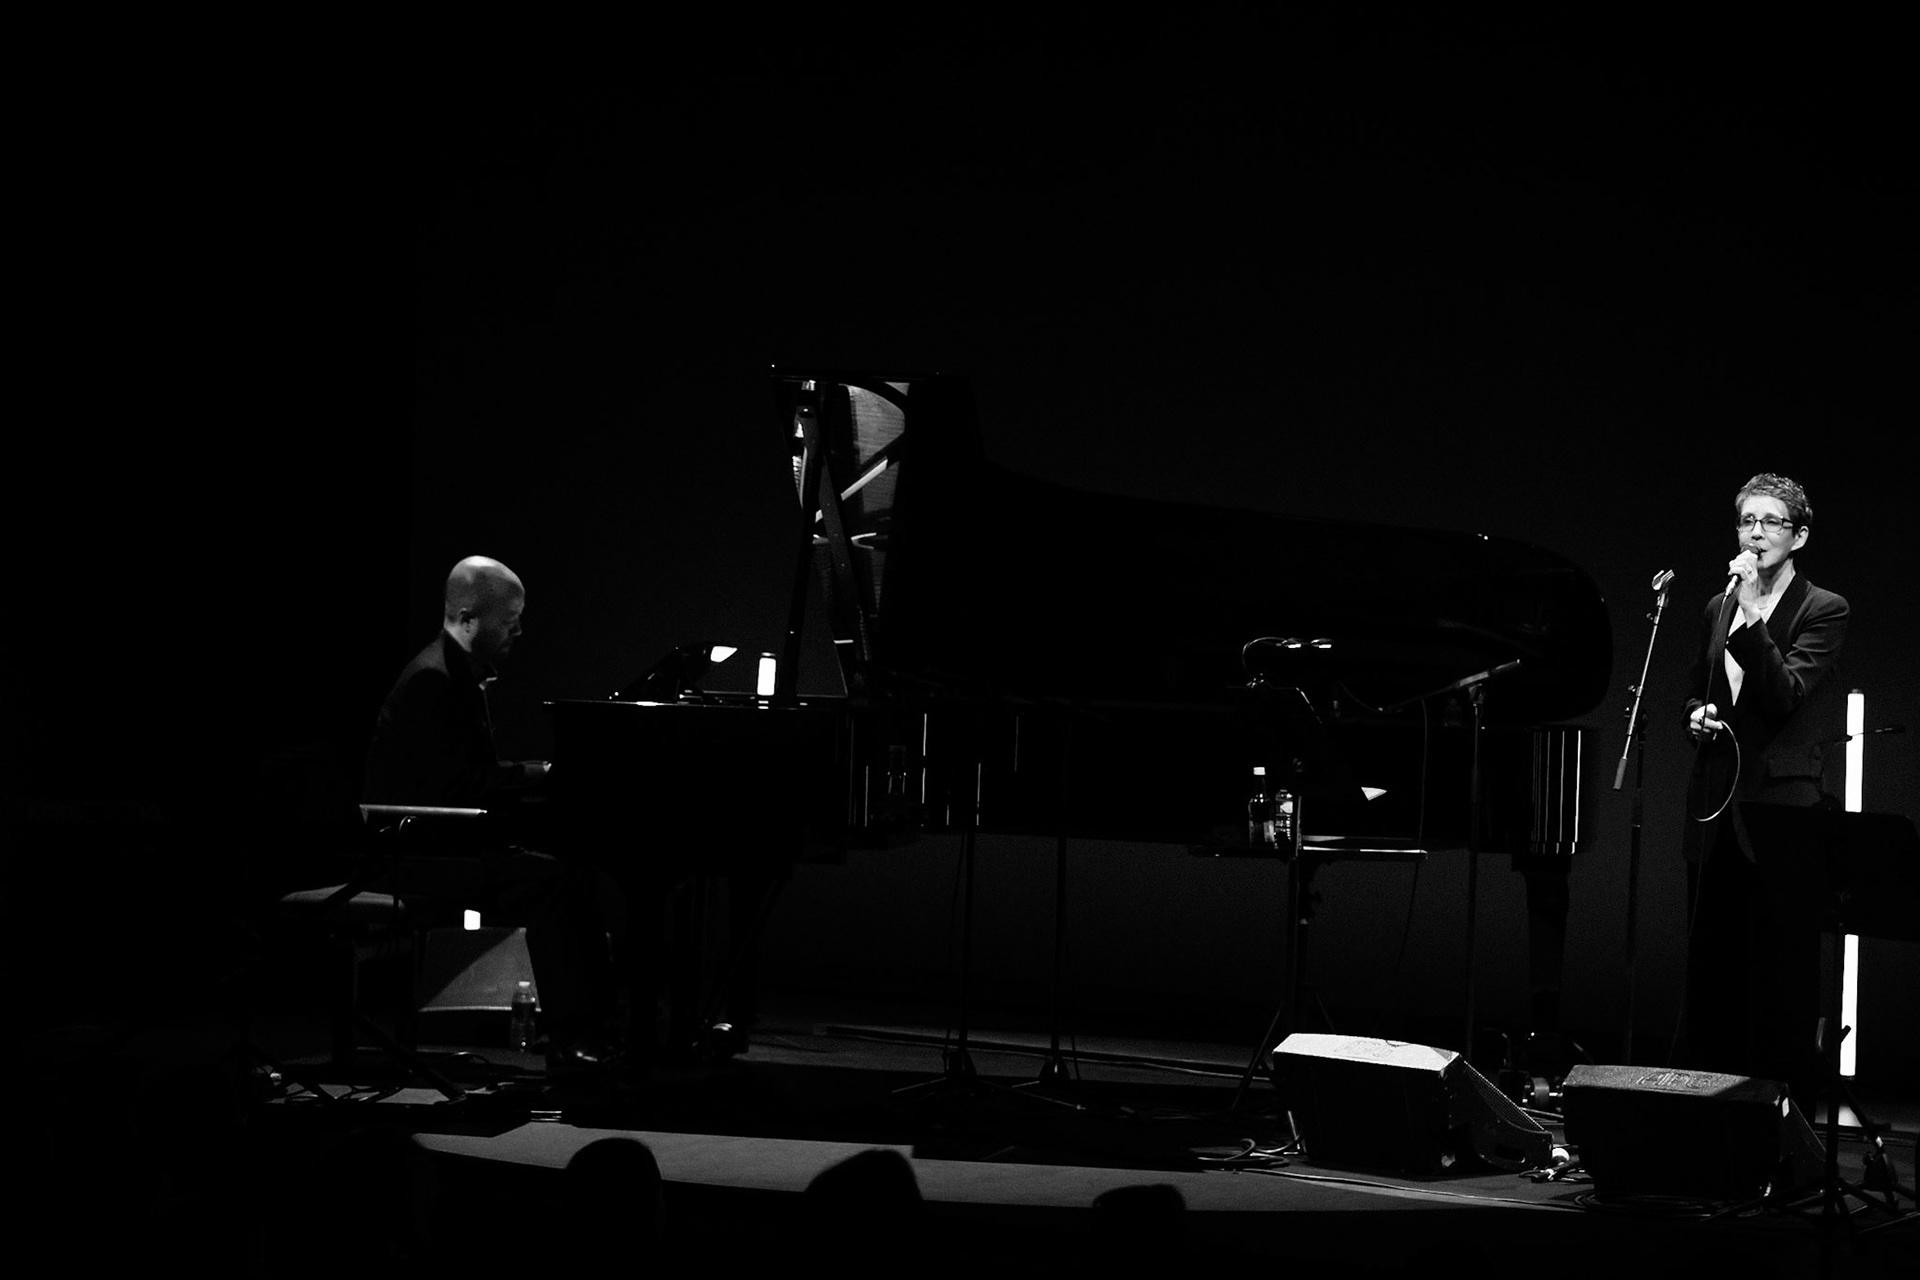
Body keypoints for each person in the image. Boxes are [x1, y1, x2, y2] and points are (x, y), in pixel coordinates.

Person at [365, 555, 622, 1068]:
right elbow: (455, 787)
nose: (519, 631)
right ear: (467, 618)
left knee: (573, 870)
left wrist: (534, 778)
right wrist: (539, 774)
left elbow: (469, 778)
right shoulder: (432, 681)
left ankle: (599, 1027)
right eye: (509, 621)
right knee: (553, 881)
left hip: (446, 840)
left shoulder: (458, 672)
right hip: (419, 853)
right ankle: (573, 1038)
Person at [1679, 474, 1848, 1105]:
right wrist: (1695, 712)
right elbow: (1699, 686)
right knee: (1712, 973)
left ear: (1798, 535)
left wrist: (1752, 614)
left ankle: (1783, 1126)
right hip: (1715, 806)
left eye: (1771, 522)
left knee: (1779, 977)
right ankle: (1705, 1116)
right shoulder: (1714, 606)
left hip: (1780, 814)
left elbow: (1784, 695)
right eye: (1747, 521)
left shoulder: (1823, 608)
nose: (1755, 533)